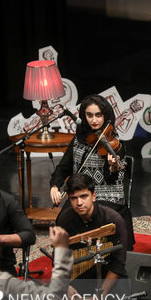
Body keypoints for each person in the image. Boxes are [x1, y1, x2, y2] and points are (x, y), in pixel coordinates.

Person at [50, 94, 134, 250]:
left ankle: (101, 254)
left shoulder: (114, 144)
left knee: (94, 215)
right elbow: (63, 168)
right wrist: (55, 186)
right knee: (63, 217)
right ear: (83, 116)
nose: (94, 120)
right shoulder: (78, 140)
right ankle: (70, 255)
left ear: (106, 116)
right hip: (80, 193)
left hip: (108, 195)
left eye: (98, 115)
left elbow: (113, 180)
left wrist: (112, 167)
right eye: (89, 115)